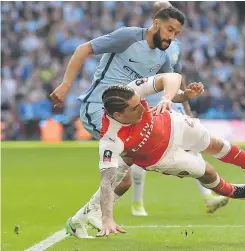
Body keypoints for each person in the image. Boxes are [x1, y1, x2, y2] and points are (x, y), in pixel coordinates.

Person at [95, 73, 245, 237]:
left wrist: (166, 98)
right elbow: (106, 182)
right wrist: (107, 219)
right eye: (135, 108)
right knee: (207, 172)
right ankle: (231, 191)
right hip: (163, 158)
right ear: (119, 116)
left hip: (173, 124)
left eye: (140, 103)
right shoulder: (110, 140)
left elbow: (172, 76)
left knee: (216, 144)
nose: (142, 108)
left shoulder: (130, 92)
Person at [50, 6, 186, 238]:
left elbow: (168, 86)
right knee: (120, 166)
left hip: (125, 117)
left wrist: (187, 95)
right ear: (156, 24)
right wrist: (65, 85)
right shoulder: (128, 37)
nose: (172, 37)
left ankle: (82, 217)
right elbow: (84, 49)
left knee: (124, 178)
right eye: (169, 30)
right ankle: (93, 214)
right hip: (99, 109)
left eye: (176, 34)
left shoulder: (163, 56)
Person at [130, 1, 228, 217]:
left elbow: (178, 76)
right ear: (156, 18)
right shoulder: (140, 42)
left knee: (191, 145)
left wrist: (186, 106)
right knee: (141, 151)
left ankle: (209, 196)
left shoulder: (175, 45)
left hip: (171, 103)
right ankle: (137, 203)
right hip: (147, 103)